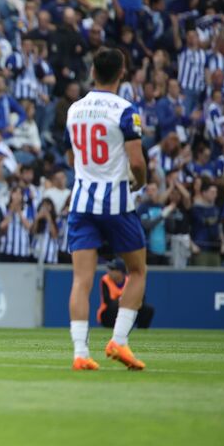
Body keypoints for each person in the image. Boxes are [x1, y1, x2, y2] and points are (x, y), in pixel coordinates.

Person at [65, 48, 148, 371]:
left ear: (92, 72)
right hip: (116, 201)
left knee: (81, 281)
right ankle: (119, 341)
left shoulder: (74, 110)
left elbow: (72, 158)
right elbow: (137, 161)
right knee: (137, 271)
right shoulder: (126, 110)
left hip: (82, 201)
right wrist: (139, 181)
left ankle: (80, 353)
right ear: (122, 72)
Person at [97, 259, 154, 329]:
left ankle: (142, 330)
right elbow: (107, 300)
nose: (109, 271)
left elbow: (141, 298)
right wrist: (124, 300)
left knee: (147, 309)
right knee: (115, 306)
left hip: (128, 307)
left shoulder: (130, 281)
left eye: (112, 269)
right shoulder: (105, 280)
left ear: (120, 272)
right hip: (109, 312)